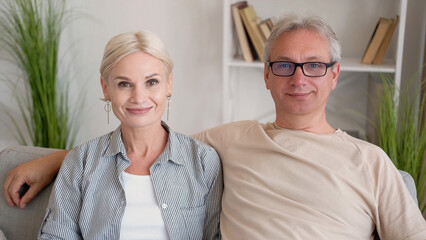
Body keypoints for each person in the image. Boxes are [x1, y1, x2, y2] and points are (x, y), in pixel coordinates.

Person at [4, 15, 426, 239]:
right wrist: (56, 161)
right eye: (284, 66)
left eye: (314, 66)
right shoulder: (228, 143)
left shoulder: (371, 162)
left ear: (334, 75)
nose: (299, 78)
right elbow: (144, 143)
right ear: (266, 75)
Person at [32, 30, 222, 239]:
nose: (139, 97)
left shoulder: (204, 162)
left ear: (169, 84)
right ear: (106, 88)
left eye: (151, 82)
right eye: (124, 84)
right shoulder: (80, 162)